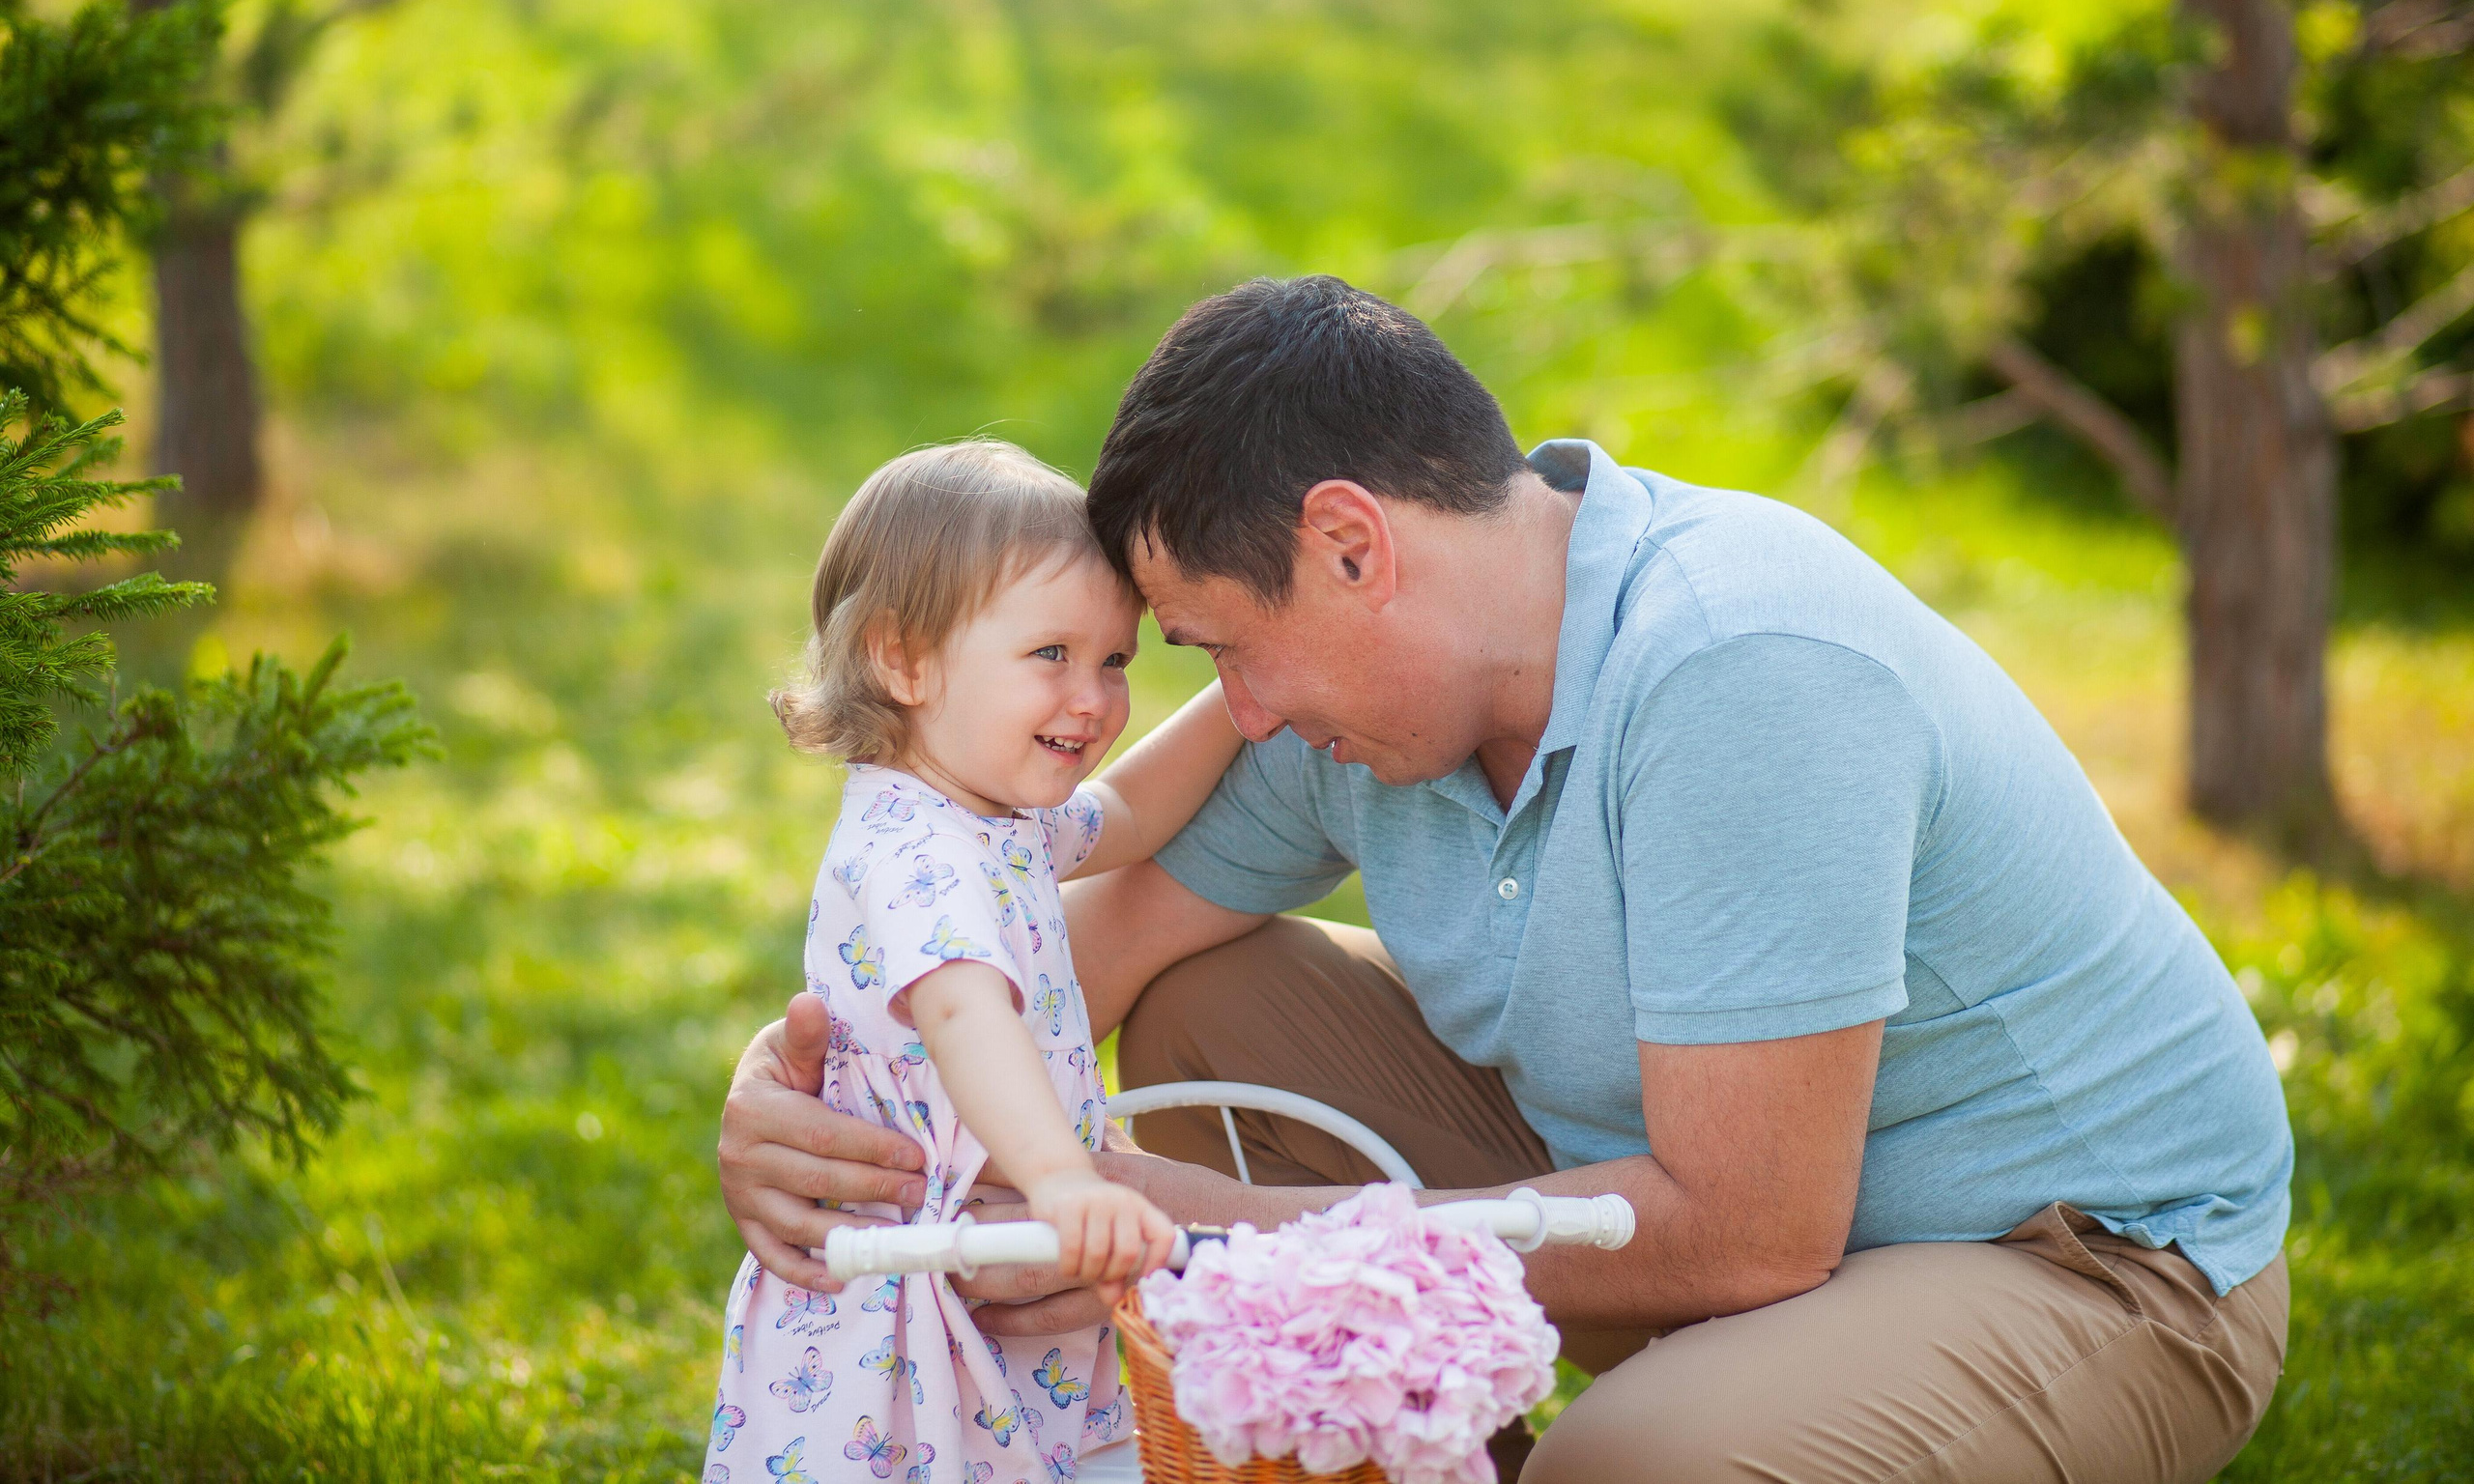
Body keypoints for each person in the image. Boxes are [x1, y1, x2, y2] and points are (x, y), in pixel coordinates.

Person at [718, 278, 2295, 1484]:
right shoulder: (1360, 682)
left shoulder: (1742, 668)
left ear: (1352, 545)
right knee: (1217, 990)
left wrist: (1224, 1230)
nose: (1233, 713)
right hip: (1660, 1176)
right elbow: (1078, 951)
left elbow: (1754, 1234)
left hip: (2073, 1258)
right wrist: (815, 1114)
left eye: (1221, 648)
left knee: (1639, 1466)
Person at [702, 441, 1240, 1484]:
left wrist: (1242, 687)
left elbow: (1126, 811)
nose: (1091, 699)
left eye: (1115, 661)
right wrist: (1061, 1181)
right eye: (1050, 656)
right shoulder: (918, 852)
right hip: (903, 1304)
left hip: (981, 1271)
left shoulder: (990, 813)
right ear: (905, 661)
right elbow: (963, 1016)